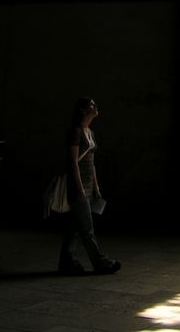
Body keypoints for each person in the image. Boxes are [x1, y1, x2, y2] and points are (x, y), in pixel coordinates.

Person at [59, 97, 120, 276]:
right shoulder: (75, 132)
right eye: (91, 105)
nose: (95, 106)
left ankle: (66, 263)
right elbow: (73, 163)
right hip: (77, 186)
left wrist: (96, 186)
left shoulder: (90, 132)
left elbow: (91, 162)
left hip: (86, 185)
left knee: (73, 227)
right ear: (83, 110)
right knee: (87, 227)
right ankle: (100, 262)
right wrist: (79, 189)